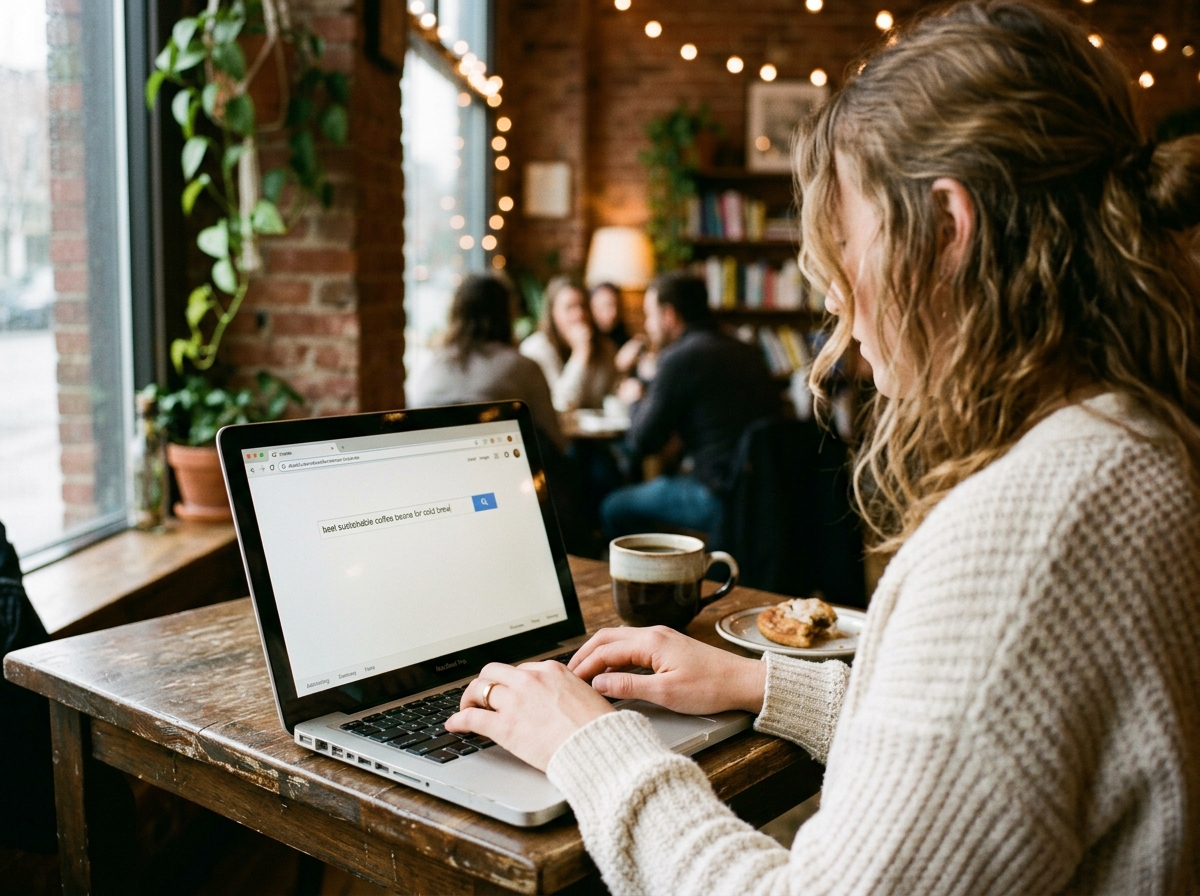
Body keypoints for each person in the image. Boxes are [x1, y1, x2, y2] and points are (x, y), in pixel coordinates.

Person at [446, 2, 1200, 892]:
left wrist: (589, 744)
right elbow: (997, 747)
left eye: (848, 245)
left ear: (948, 230)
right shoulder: (1140, 443)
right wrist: (755, 684)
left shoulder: (1027, 538)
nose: (842, 311)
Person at [599, 272, 781, 539]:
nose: (648, 326)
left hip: (718, 496)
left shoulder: (679, 358)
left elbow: (643, 441)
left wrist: (635, 399)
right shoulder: (747, 350)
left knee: (613, 507)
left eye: (650, 315)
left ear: (669, 315)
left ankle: (663, 573)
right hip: (765, 495)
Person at [407, 273, 563, 449]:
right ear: (508, 313)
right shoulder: (523, 367)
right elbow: (555, 441)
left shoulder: (427, 363)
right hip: (497, 469)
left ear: (456, 312)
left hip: (432, 466)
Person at [520, 276, 618, 412]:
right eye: (569, 307)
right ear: (553, 314)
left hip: (604, 432)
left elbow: (612, 396)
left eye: (583, 306)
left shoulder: (605, 348)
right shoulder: (536, 350)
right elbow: (561, 406)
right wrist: (580, 355)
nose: (579, 314)